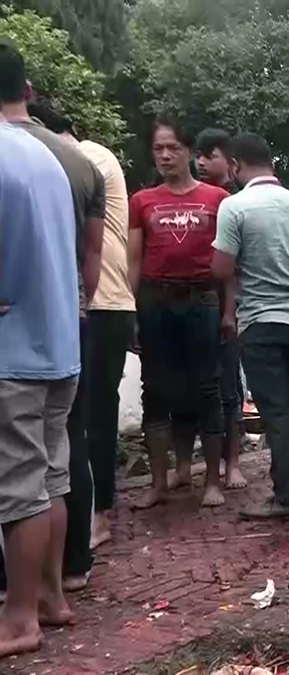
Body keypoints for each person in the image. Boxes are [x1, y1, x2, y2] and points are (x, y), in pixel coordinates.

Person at [8, 86, 105, 597]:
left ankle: (19, 605)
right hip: (65, 332)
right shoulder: (72, 159)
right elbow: (90, 258)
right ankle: (61, 581)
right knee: (59, 463)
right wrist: (74, 311)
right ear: (26, 89)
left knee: (18, 480)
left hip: (13, 347)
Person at [0, 120, 81, 657]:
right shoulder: (44, 154)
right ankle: (50, 597)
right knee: (50, 477)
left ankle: (18, 620)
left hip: (13, 352)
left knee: (18, 486)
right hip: (58, 343)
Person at [39, 110, 135, 551]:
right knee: (88, 415)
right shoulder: (90, 157)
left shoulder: (82, 157)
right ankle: (94, 515)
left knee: (88, 417)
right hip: (100, 304)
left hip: (99, 304)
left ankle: (98, 516)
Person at [213, 132, 289, 519]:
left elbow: (221, 268)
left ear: (237, 166)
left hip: (261, 321)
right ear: (272, 164)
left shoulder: (235, 207)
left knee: (276, 412)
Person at [128, 117, 231, 510]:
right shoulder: (143, 201)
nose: (166, 156)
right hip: (155, 299)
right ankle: (158, 483)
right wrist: (131, 310)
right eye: (159, 149)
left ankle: (213, 482)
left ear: (190, 151)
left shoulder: (216, 199)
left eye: (173, 148)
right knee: (155, 389)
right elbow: (134, 260)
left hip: (202, 298)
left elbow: (227, 264)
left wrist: (228, 311)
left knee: (208, 388)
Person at [196, 126, 248, 490]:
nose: (201, 162)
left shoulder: (237, 202)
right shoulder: (189, 198)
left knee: (230, 387)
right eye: (198, 154)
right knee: (201, 386)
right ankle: (204, 463)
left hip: (233, 304)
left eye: (209, 155)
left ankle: (233, 463)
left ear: (230, 163)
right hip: (195, 303)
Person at [195, 128, 239, 194]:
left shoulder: (238, 198)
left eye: (210, 157)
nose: (200, 162)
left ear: (230, 162)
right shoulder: (191, 195)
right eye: (198, 156)